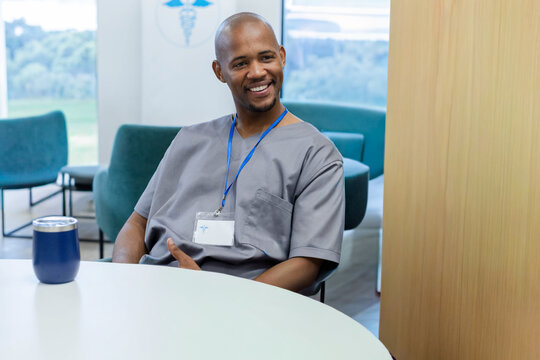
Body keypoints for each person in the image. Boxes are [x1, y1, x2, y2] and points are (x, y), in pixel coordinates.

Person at [112, 12, 345, 294]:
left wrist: (220, 298)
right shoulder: (189, 139)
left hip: (247, 308)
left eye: (266, 57)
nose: (257, 72)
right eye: (240, 63)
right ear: (219, 71)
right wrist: (122, 282)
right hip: (158, 295)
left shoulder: (316, 154)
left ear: (282, 56)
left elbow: (308, 263)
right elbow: (137, 223)